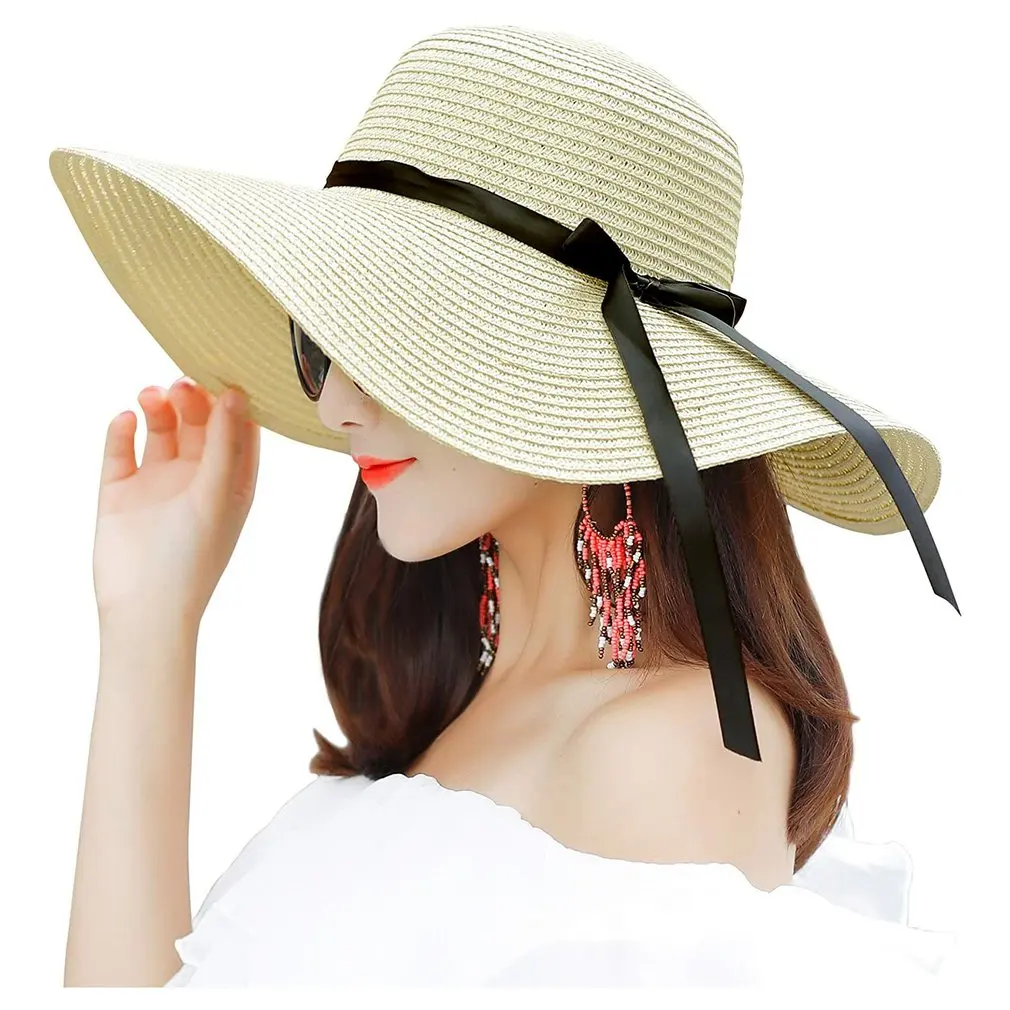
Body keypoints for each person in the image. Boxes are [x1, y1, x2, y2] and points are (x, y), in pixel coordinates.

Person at [51, 24, 960, 986]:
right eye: (325, 339)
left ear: (583, 378)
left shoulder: (671, 753)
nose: (335, 401)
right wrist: (148, 625)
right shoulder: (459, 719)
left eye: (390, 339)